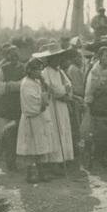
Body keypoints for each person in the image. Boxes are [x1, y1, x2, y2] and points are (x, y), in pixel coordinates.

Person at [34, 44, 76, 174]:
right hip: (52, 106)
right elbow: (53, 89)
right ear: (49, 59)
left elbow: (69, 84)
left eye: (59, 57)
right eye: (54, 57)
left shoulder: (60, 71)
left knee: (63, 129)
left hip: (62, 105)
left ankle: (64, 159)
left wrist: (67, 93)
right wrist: (63, 92)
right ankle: (54, 162)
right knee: (55, 132)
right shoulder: (45, 73)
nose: (57, 60)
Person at [17, 58, 53, 183]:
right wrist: (43, 99)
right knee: (31, 146)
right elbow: (31, 100)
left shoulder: (37, 81)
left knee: (41, 145)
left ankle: (42, 172)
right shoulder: (26, 83)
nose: (39, 72)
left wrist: (45, 90)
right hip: (31, 117)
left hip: (39, 118)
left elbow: (45, 93)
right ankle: (30, 173)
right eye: (36, 70)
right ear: (29, 70)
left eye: (40, 69)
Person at [0, 45, 25, 170]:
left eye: (16, 54)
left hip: (19, 104)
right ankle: (8, 159)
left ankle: (16, 158)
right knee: (5, 133)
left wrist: (14, 85)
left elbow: (25, 83)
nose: (14, 57)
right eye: (11, 55)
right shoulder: (3, 69)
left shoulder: (24, 68)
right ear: (7, 57)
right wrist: (9, 86)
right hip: (6, 103)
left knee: (17, 132)